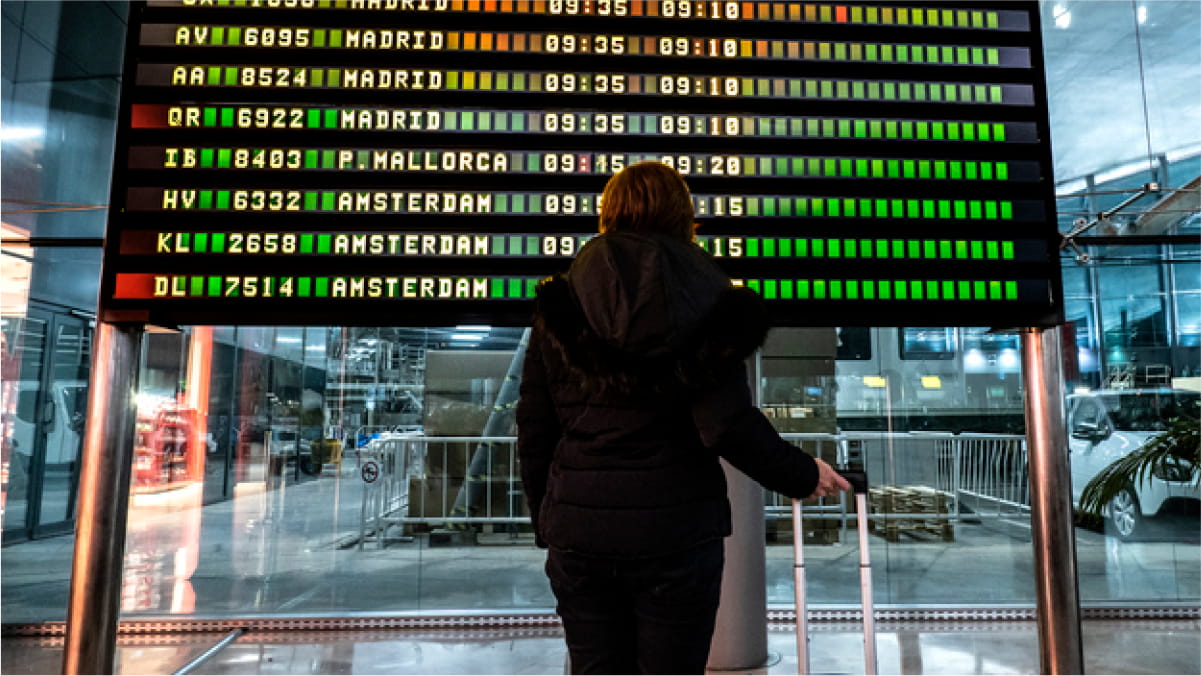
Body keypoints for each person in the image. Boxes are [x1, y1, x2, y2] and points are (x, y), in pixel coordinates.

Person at [516, 161, 851, 674]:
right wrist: (803, 473)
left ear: (608, 213)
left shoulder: (563, 304)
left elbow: (536, 427)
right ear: (684, 216)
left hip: (580, 530)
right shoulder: (710, 301)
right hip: (677, 531)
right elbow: (727, 425)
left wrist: (549, 517)